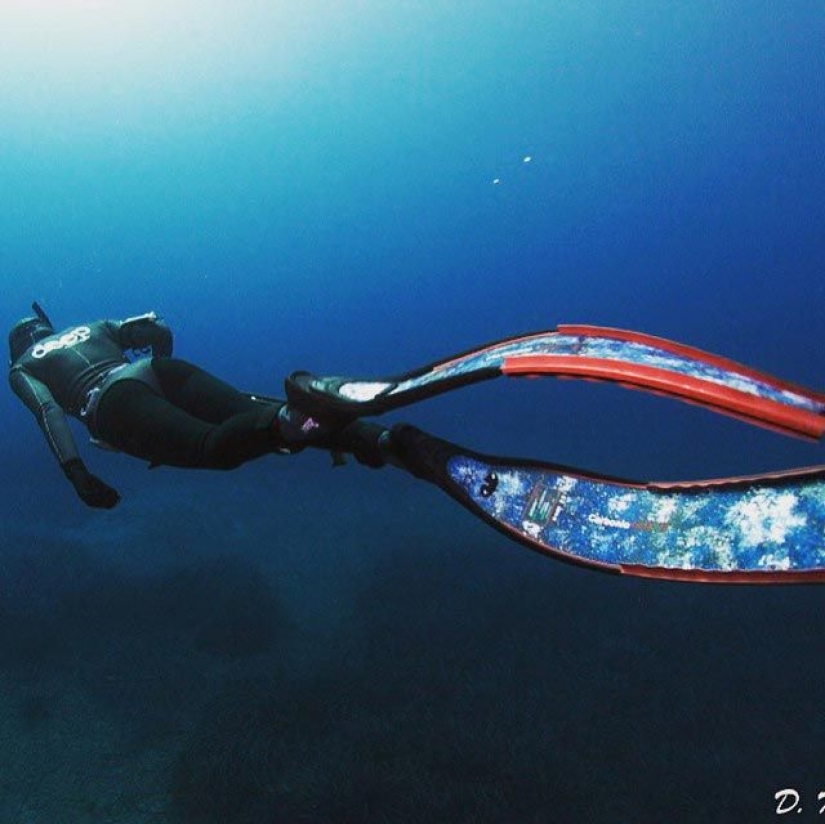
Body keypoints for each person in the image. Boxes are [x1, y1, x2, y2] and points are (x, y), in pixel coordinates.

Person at [8, 304, 390, 509]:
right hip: (157, 369)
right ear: (46, 327)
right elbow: (159, 331)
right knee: (253, 417)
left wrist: (76, 473)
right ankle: (376, 438)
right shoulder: (91, 326)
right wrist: (160, 386)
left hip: (111, 404)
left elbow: (48, 411)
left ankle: (294, 418)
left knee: (214, 449)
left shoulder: (23, 366)